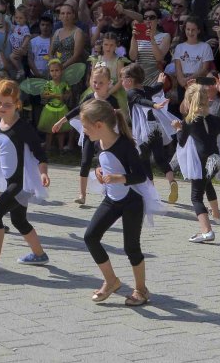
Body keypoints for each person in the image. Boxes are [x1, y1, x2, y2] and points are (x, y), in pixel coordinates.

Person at [80, 99, 161, 306]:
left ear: (99, 125)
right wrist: (99, 171)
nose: (84, 131)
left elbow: (141, 175)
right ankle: (111, 281)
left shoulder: (125, 145)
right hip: (112, 200)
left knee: (131, 247)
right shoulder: (98, 141)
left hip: (132, 201)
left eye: (86, 127)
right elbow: (105, 161)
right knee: (90, 236)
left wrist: (120, 178)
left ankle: (141, 290)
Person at [0, 80, 51, 272]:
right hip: (8, 182)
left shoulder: (23, 127)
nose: (2, 107)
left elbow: (40, 154)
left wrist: (43, 173)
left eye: (7, 104)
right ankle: (39, 255)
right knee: (18, 220)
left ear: (17, 104)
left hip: (21, 184)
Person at [173, 84, 220, 243]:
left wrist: (178, 128)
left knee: (196, 197)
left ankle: (207, 232)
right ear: (207, 101)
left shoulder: (189, 121)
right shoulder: (214, 120)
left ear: (189, 102)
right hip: (215, 160)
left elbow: (181, 142)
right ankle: (217, 214)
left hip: (201, 162)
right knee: (206, 184)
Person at [53, 64, 115, 205]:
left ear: (108, 83)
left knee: (104, 164)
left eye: (101, 83)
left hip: (104, 138)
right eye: (94, 82)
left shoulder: (111, 101)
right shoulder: (89, 97)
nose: (97, 85)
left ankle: (108, 191)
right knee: (85, 162)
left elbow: (117, 120)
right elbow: (76, 110)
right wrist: (61, 121)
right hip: (89, 134)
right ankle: (82, 194)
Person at [122, 64, 178, 203]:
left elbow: (140, 100)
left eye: (122, 78)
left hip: (143, 132)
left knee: (144, 160)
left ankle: (151, 192)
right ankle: (171, 181)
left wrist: (154, 105)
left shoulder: (130, 93)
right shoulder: (146, 89)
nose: (121, 82)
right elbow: (156, 88)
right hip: (156, 128)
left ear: (129, 80)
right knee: (160, 158)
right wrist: (160, 82)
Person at [172, 16, 213, 101]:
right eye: (188, 29)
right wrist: (182, 82)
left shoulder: (205, 47)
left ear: (198, 30)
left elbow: (204, 69)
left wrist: (188, 80)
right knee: (183, 111)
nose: (190, 32)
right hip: (182, 82)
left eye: (193, 30)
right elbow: (178, 69)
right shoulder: (179, 47)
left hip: (198, 82)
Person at [129, 8, 171, 86]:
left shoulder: (165, 36)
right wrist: (134, 38)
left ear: (158, 21)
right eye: (145, 18)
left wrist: (151, 38)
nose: (148, 20)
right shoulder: (138, 35)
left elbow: (159, 58)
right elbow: (133, 57)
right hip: (138, 80)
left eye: (151, 17)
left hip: (154, 80)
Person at [37, 59, 72, 151]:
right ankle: (48, 147)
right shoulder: (48, 84)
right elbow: (44, 94)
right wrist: (53, 95)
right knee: (49, 130)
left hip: (61, 108)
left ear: (61, 71)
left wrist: (64, 96)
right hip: (50, 109)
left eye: (57, 70)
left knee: (61, 131)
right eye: (52, 71)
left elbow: (69, 93)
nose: (54, 73)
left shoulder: (64, 83)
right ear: (49, 72)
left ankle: (61, 148)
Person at [50, 4, 86, 72]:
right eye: (63, 13)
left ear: (73, 15)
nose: (65, 16)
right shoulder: (57, 32)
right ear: (59, 16)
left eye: (68, 13)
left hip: (71, 71)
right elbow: (51, 52)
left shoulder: (78, 32)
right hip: (55, 71)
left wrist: (62, 67)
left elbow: (76, 55)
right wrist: (53, 65)